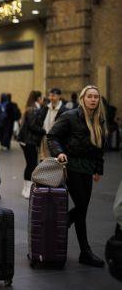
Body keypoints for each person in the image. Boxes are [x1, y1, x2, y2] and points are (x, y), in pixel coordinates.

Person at [47, 85, 107, 268]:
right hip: (71, 166)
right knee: (81, 206)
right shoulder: (70, 116)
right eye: (89, 96)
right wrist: (59, 153)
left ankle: (84, 252)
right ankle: (82, 246)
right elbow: (52, 136)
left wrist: (98, 169)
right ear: (83, 98)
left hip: (87, 168)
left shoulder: (99, 119)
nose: (93, 99)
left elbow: (99, 147)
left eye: (96, 97)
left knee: (82, 210)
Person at [17, 91, 45, 199]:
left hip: (25, 141)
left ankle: (26, 188)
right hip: (30, 141)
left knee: (29, 165)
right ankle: (27, 190)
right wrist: (44, 131)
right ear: (38, 98)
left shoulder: (29, 108)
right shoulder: (34, 110)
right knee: (31, 165)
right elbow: (33, 126)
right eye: (42, 98)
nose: (43, 100)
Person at [39, 88, 67, 159]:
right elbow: (40, 120)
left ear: (59, 96)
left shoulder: (64, 110)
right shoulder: (45, 108)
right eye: (50, 96)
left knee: (55, 159)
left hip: (57, 138)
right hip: (45, 136)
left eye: (53, 96)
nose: (51, 98)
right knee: (45, 158)